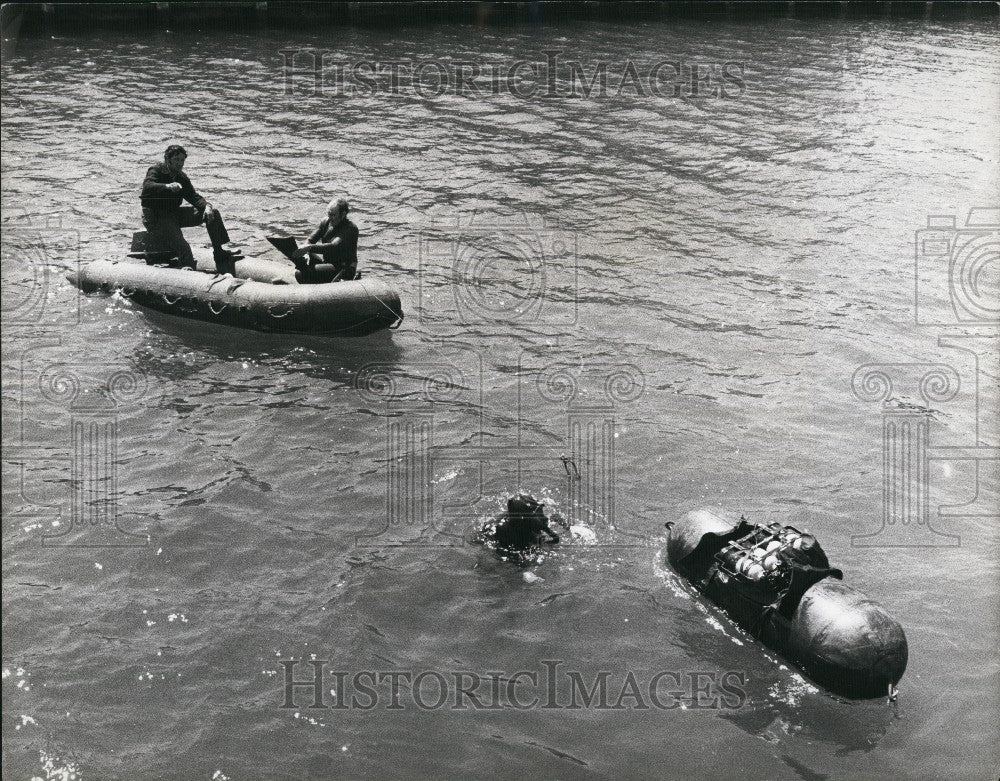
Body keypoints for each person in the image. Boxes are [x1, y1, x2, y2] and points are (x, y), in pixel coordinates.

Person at [140, 145, 238, 273]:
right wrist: (167, 186)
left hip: (173, 214)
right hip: (156, 217)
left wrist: (207, 206)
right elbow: (148, 186)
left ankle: (218, 252)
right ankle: (188, 268)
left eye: (182, 160)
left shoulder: (181, 177)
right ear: (167, 160)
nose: (180, 163)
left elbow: (193, 197)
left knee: (212, 213)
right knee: (184, 248)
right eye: (176, 159)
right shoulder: (156, 170)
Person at [291, 198, 359, 283]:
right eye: (329, 214)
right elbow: (310, 240)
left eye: (333, 215)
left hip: (343, 267)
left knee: (300, 273)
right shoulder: (325, 222)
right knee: (300, 258)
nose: (330, 218)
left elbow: (333, 246)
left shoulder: (350, 229)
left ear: (343, 214)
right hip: (327, 263)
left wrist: (309, 248)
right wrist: (306, 252)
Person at [490, 495, 562, 551]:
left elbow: (556, 538)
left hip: (527, 531)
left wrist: (544, 544)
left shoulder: (534, 521)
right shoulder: (502, 524)